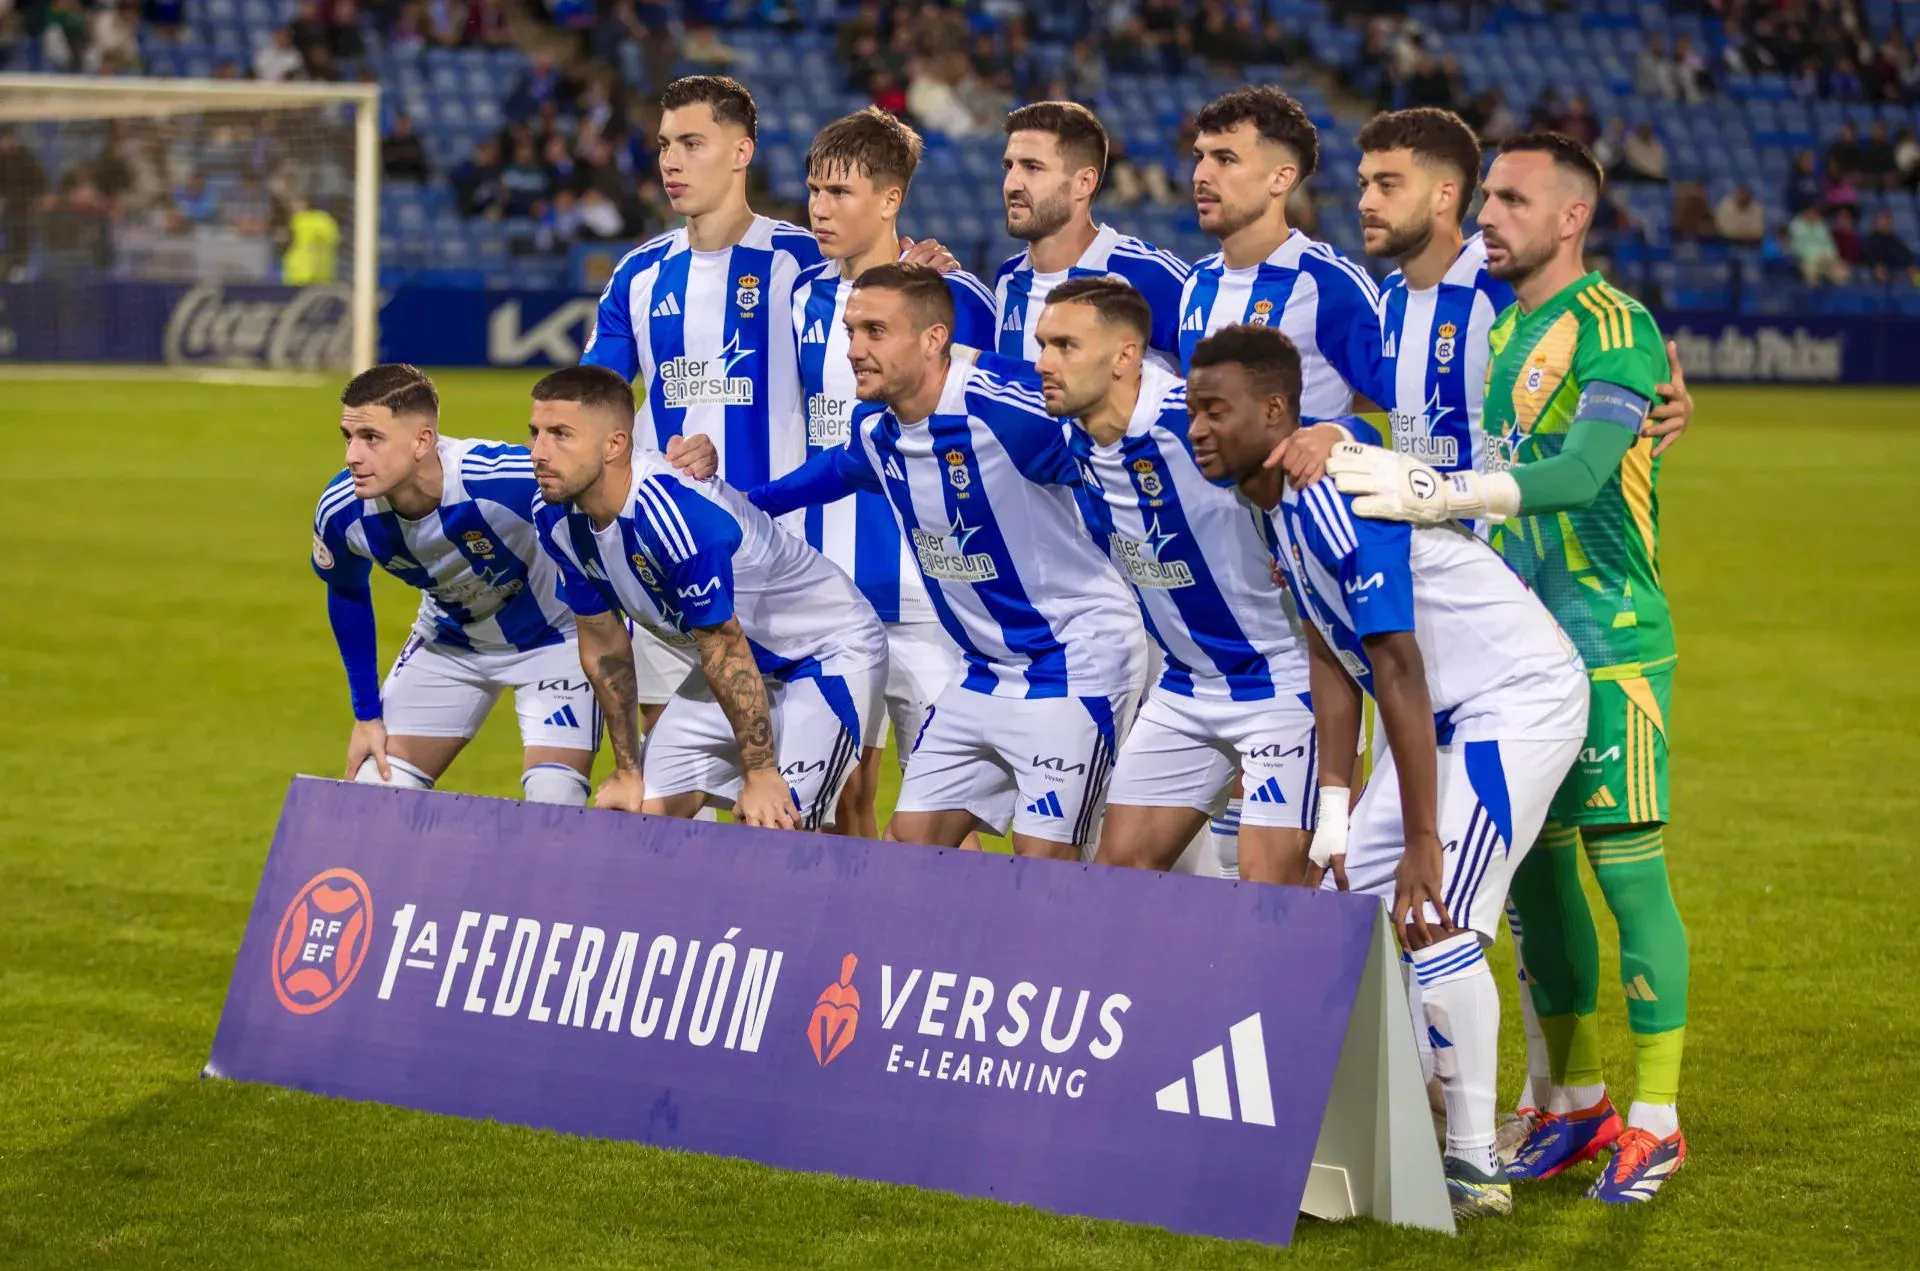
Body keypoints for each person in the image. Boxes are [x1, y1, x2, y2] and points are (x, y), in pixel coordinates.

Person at [1325, 133, 1693, 1205]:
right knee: (1537, 889)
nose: (1490, 213)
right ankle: (1576, 1103)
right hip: (1516, 649)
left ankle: (1658, 1122)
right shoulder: (1513, 319)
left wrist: (1448, 495)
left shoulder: (1615, 323)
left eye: (1512, 198)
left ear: (1572, 216)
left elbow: (1582, 471)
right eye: (1486, 195)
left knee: (1629, 875)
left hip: (1613, 635)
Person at [1190, 323, 1587, 1219]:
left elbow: (1396, 666)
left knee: (1431, 913)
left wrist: (1418, 839)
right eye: (1192, 411)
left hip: (1510, 702)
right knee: (1343, 918)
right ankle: (1385, 1129)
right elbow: (1332, 656)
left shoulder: (1328, 493)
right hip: (1436, 718)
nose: (1198, 429)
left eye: (1215, 410)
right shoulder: (1273, 502)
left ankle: (1474, 1164)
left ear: (1277, 411)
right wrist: (1334, 810)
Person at [746, 264, 1147, 861]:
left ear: (934, 339)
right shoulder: (877, 431)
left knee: (1046, 873)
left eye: (875, 332)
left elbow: (1127, 437)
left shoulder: (1005, 405)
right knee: (907, 854)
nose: (854, 350)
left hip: (1075, 661)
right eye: (851, 331)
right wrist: (739, 507)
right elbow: (831, 472)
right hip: (980, 673)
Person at [1028, 278, 1315, 883]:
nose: (1043, 363)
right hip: (1186, 688)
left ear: (1126, 357)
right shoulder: (1071, 433)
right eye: (1042, 344)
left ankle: (1395, 975)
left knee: (1275, 895)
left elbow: (1324, 438)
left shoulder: (1192, 419)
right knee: (1118, 875)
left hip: (1280, 680)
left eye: (1064, 346)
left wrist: (1340, 433)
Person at [528, 366, 886, 829]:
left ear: (614, 445)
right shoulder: (554, 515)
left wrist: (759, 774)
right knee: (637, 814)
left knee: (775, 824)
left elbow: (724, 644)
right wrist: (627, 769)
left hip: (824, 655)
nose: (538, 452)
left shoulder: (670, 511)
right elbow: (603, 644)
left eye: (560, 435)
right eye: (534, 433)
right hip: (739, 664)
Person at [579, 76, 825, 728]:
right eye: (664, 145)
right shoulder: (638, 274)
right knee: (672, 794)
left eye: (692, 142)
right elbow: (592, 406)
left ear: (742, 151)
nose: (671, 161)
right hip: (668, 560)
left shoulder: (808, 261)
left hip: (783, 560)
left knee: (809, 806)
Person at [787, 108, 994, 839]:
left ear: (890, 198)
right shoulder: (798, 297)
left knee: (946, 818)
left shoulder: (955, 301)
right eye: (813, 189)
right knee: (845, 805)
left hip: (929, 599)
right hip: (828, 592)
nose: (819, 208)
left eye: (840, 192)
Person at [310, 365, 597, 806]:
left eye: (372, 438)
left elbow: (598, 486)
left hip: (555, 641)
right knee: (372, 794)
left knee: (554, 799)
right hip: (450, 642)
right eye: (348, 437)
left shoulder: (499, 479)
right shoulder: (341, 512)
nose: (352, 456)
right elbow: (346, 592)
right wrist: (366, 713)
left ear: (423, 441)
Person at [1179, 86, 1383, 417]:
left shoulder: (1331, 284)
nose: (1201, 175)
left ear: (1280, 178)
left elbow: (1396, 400)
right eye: (1200, 157)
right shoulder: (1196, 281)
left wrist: (1338, 436)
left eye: (1225, 159)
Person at [991, 101, 1191, 368]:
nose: (1012, 184)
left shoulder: (1145, 272)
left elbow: (1230, 374)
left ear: (1084, 183)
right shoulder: (1009, 278)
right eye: (1009, 166)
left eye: (1032, 167)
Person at [1789, 203, 1848, 284]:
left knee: (1841, 271)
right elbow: (1798, 249)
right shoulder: (1796, 227)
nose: (1817, 215)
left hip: (1826, 259)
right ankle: (1812, 294)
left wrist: (1829, 255)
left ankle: (1840, 294)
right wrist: (1817, 255)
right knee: (1810, 270)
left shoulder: (1821, 226)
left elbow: (1830, 244)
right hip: (1808, 259)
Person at [1861, 209, 1915, 279]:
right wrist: (1877, 267)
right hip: (1885, 277)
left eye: (1885, 218)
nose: (1882, 221)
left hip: (1903, 275)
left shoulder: (1896, 240)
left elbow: (1907, 257)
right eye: (1879, 218)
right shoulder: (1871, 241)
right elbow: (1872, 260)